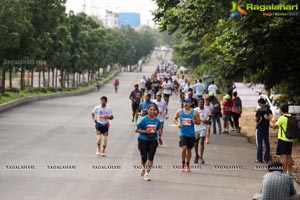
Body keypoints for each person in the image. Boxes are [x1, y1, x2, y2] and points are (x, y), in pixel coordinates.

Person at [173, 97, 200, 172]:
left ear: (191, 103)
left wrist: (194, 121)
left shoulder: (194, 112)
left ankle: (187, 165)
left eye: (187, 102)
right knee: (184, 148)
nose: (185, 104)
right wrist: (178, 123)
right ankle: (182, 164)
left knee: (189, 150)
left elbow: (199, 122)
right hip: (183, 133)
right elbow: (174, 118)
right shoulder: (180, 111)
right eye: (184, 102)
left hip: (191, 134)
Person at [135, 104, 161, 181]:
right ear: (147, 110)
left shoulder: (157, 120)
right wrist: (145, 131)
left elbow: (158, 129)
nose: (152, 111)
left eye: (154, 110)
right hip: (143, 140)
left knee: (151, 158)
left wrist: (159, 135)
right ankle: (143, 167)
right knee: (144, 159)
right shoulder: (143, 119)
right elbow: (136, 130)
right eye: (151, 109)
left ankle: (146, 174)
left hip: (153, 140)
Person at [267, 104, 295, 173]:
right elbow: (281, 126)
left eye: (279, 109)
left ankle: (284, 172)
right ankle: (289, 172)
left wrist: (270, 119)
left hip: (283, 139)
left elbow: (273, 126)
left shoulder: (282, 118)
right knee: (289, 156)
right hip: (290, 139)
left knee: (283, 157)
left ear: (281, 110)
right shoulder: (291, 117)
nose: (279, 110)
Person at [194, 98, 211, 164]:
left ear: (204, 103)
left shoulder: (207, 110)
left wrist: (208, 120)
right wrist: (195, 121)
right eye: (200, 102)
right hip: (196, 128)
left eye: (202, 102)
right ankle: (196, 155)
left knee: (202, 141)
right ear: (198, 103)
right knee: (196, 143)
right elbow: (192, 118)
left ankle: (201, 157)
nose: (201, 103)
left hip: (203, 127)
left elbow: (210, 116)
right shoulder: (195, 110)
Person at [255, 98, 272, 163]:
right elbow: (271, 117)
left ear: (260, 103)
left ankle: (259, 159)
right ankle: (266, 159)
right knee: (266, 143)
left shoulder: (259, 110)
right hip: (266, 128)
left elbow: (256, 119)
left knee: (259, 143)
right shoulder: (269, 109)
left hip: (259, 128)